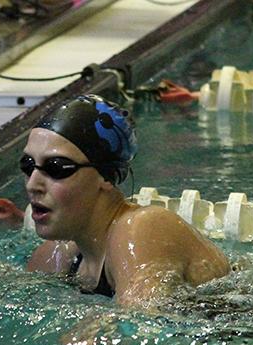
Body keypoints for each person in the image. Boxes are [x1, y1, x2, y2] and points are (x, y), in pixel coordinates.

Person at [24, 94, 229, 307]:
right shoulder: (60, 254)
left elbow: (142, 323)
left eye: (56, 167)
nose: (32, 184)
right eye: (28, 166)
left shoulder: (142, 227)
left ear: (106, 176)